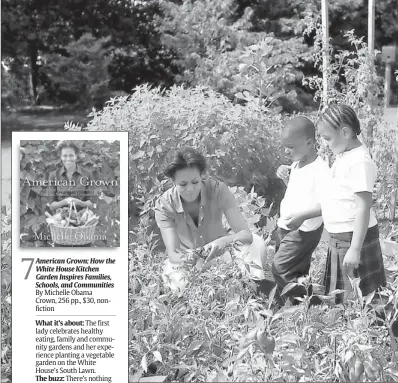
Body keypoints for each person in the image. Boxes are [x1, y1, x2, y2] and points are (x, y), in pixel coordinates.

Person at [287, 104, 386, 304]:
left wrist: (355, 249)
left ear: (345, 132)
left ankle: (377, 335)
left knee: (365, 300)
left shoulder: (360, 162)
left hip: (354, 239)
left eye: (328, 139)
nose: (325, 144)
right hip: (341, 238)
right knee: (344, 300)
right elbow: (336, 200)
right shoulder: (344, 156)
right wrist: (303, 215)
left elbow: (362, 208)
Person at [154, 147, 268, 292]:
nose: (190, 189)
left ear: (202, 176)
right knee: (176, 281)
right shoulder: (165, 204)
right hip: (190, 262)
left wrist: (224, 241)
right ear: (172, 181)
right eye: (183, 184)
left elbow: (245, 234)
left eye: (195, 182)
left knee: (257, 243)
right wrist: (188, 258)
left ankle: (252, 294)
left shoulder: (217, 190)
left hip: (222, 255)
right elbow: (173, 254)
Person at [272, 116, 330, 305]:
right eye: (285, 147)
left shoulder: (320, 170)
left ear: (310, 143)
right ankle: (298, 307)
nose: (287, 151)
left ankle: (310, 300)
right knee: (297, 269)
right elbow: (298, 192)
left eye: (291, 146)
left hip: (304, 230)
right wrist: (285, 178)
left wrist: (303, 216)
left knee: (279, 267)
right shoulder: (297, 164)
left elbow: (327, 203)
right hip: (287, 225)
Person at [46, 141, 97, 247]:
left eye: (71, 155)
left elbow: (91, 204)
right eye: (64, 155)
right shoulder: (53, 176)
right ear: (60, 156)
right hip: (61, 228)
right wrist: (65, 201)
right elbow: (52, 205)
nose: (68, 159)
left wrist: (79, 202)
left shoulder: (87, 174)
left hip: (82, 227)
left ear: (76, 156)